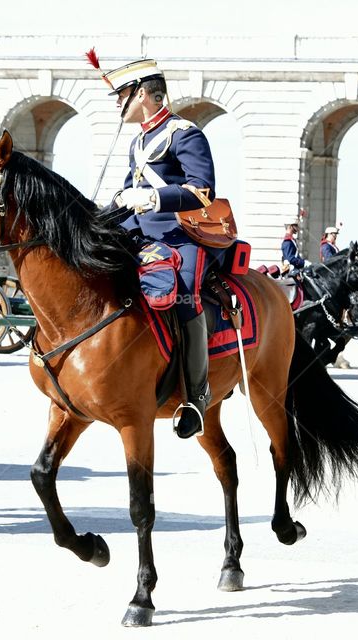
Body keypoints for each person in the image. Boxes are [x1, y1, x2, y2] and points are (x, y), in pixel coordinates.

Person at [100, 58, 222, 439]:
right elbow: (126, 196)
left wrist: (152, 198)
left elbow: (202, 191)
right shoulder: (138, 140)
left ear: (143, 94)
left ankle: (197, 397)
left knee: (185, 297)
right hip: (139, 235)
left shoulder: (184, 133)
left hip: (180, 235)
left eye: (121, 95)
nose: (117, 103)